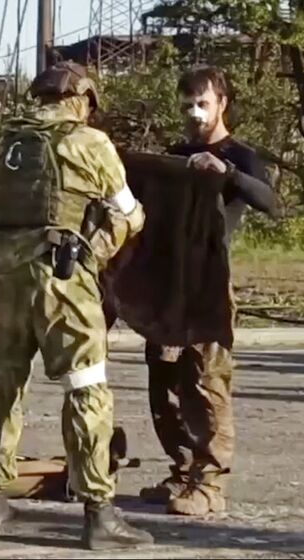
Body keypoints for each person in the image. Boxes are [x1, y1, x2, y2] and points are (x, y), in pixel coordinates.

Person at [0, 61, 153, 550]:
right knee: (85, 387)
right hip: (61, 278)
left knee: (2, 384)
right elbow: (129, 212)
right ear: (83, 100)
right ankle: (99, 513)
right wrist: (97, 249)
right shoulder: (89, 142)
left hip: (5, 276)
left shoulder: (8, 143)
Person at [139, 66, 278, 516]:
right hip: (167, 285)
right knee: (164, 383)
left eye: (202, 103)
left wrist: (228, 173)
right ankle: (183, 471)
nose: (194, 113)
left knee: (206, 383)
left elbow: (271, 203)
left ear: (222, 103)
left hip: (209, 287)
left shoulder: (240, 155)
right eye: (187, 105)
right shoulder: (176, 156)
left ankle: (210, 482)